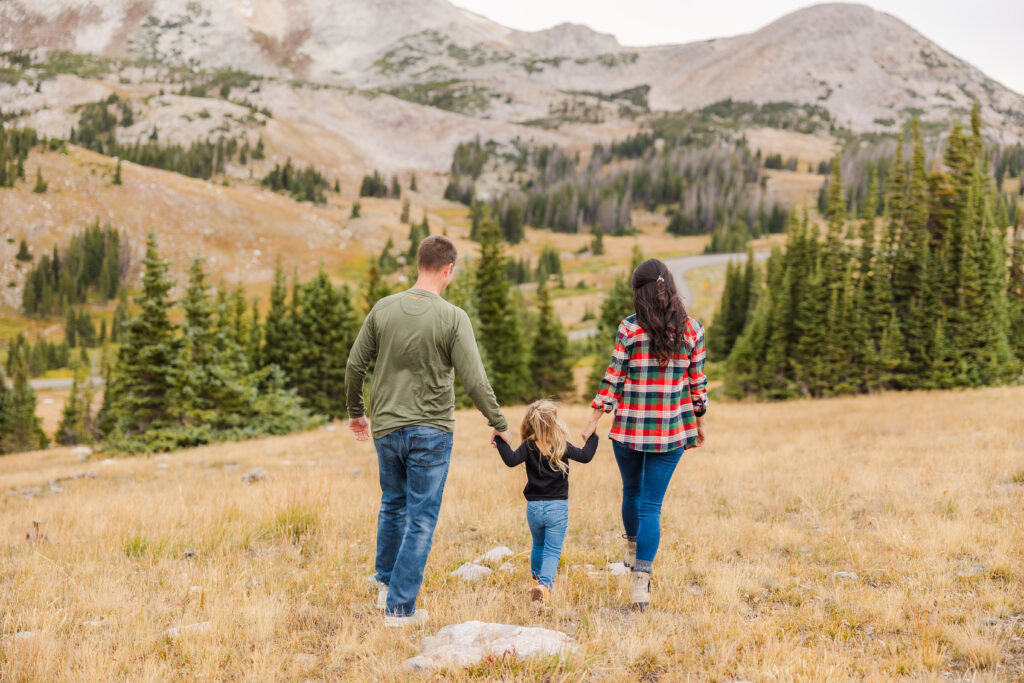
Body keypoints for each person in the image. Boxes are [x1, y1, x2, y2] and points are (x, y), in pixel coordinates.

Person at [346, 235, 511, 627]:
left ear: (419, 263)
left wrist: (357, 412)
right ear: (448, 270)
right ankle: (400, 609)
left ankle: (385, 585)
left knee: (393, 504)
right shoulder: (453, 317)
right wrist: (499, 423)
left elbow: (355, 365)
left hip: (386, 428)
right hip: (432, 432)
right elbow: (474, 379)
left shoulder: (383, 309)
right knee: (420, 517)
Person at [581, 258, 707, 611]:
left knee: (632, 493)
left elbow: (613, 380)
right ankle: (641, 585)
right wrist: (699, 424)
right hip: (671, 430)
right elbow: (697, 385)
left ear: (640, 293)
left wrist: (593, 419)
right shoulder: (693, 331)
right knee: (652, 505)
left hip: (630, 430)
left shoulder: (629, 330)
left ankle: (633, 546)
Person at [494, 400, 598, 610]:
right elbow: (586, 456)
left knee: (538, 546)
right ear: (554, 423)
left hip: (534, 509)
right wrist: (592, 436)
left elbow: (511, 460)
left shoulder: (528, 446)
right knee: (552, 551)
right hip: (557, 509)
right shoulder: (561, 446)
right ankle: (543, 588)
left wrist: (500, 440)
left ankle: (535, 583)